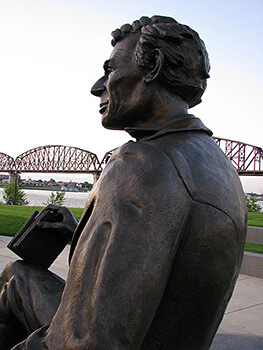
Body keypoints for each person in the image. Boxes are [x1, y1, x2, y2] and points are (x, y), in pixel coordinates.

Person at [0, 16, 246, 349]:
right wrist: (83, 233)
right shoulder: (219, 167)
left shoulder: (143, 164)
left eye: (110, 70)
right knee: (18, 277)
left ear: (153, 66)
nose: (98, 86)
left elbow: (86, 343)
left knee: (10, 282)